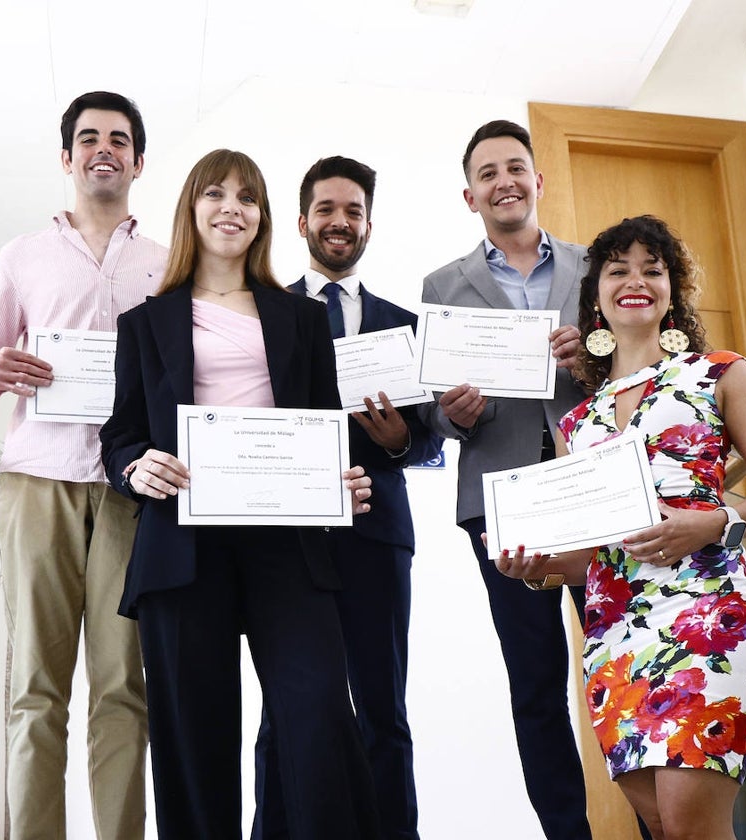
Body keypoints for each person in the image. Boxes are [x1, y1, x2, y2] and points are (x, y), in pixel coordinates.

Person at [99, 148, 384, 839]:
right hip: (181, 545)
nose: (233, 208)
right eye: (216, 194)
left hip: (287, 541)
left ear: (263, 219)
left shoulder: (301, 318)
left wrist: (340, 481)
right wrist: (135, 468)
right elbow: (121, 435)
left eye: (248, 197)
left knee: (316, 713)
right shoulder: (144, 322)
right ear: (191, 209)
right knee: (193, 738)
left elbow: (326, 427)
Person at [494, 215, 746, 840]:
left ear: (672, 292)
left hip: (709, 615)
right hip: (612, 635)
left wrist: (712, 522)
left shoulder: (720, 373)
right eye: (618, 270)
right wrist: (534, 571)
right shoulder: (578, 422)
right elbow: (589, 557)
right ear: (596, 299)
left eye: (652, 270)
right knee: (662, 827)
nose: (636, 281)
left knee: (692, 823)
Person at [0, 91, 162, 840]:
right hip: (37, 478)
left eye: (118, 139)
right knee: (35, 690)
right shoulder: (22, 257)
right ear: (67, 157)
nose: (102, 148)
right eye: (88, 138)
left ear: (139, 161)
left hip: (127, 492)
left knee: (122, 689)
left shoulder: (165, 266)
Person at [252, 156, 442, 840]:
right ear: (302, 222)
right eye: (327, 210)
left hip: (376, 538)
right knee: (284, 714)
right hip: (288, 544)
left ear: (368, 225)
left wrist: (397, 442)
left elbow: (429, 442)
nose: (340, 222)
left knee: (383, 711)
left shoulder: (403, 324)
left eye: (353, 212)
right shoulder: (263, 315)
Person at [420, 119, 595, 839]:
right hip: (500, 498)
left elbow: (636, 360)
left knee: (630, 662)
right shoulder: (442, 284)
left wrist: (595, 353)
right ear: (471, 196)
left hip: (598, 487)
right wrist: (454, 415)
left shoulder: (596, 265)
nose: (504, 181)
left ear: (538, 181)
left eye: (515, 167)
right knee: (535, 685)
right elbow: (433, 413)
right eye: (488, 173)